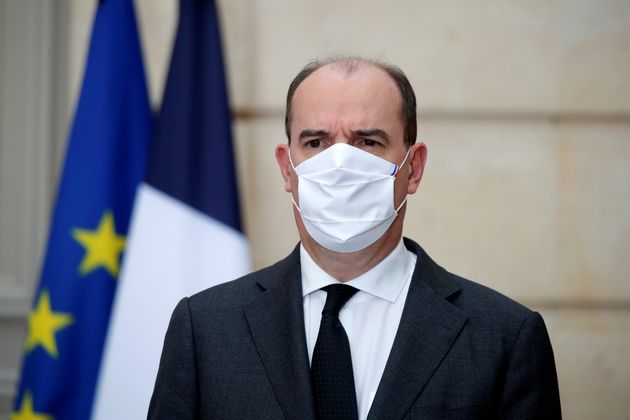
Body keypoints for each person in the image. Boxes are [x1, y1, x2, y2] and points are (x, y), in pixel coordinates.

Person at [148, 57, 562, 419]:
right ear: (287, 169)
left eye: (368, 141)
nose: (340, 163)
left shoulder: (504, 337)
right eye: (316, 142)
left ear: (413, 168)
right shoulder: (204, 328)